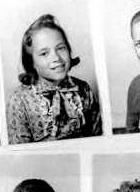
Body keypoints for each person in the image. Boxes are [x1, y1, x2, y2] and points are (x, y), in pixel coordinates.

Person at [6, 14, 102, 145]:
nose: (56, 57)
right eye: (44, 53)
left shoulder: (83, 89)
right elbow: (22, 157)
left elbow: (98, 141)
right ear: (31, 62)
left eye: (60, 48)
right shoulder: (19, 101)